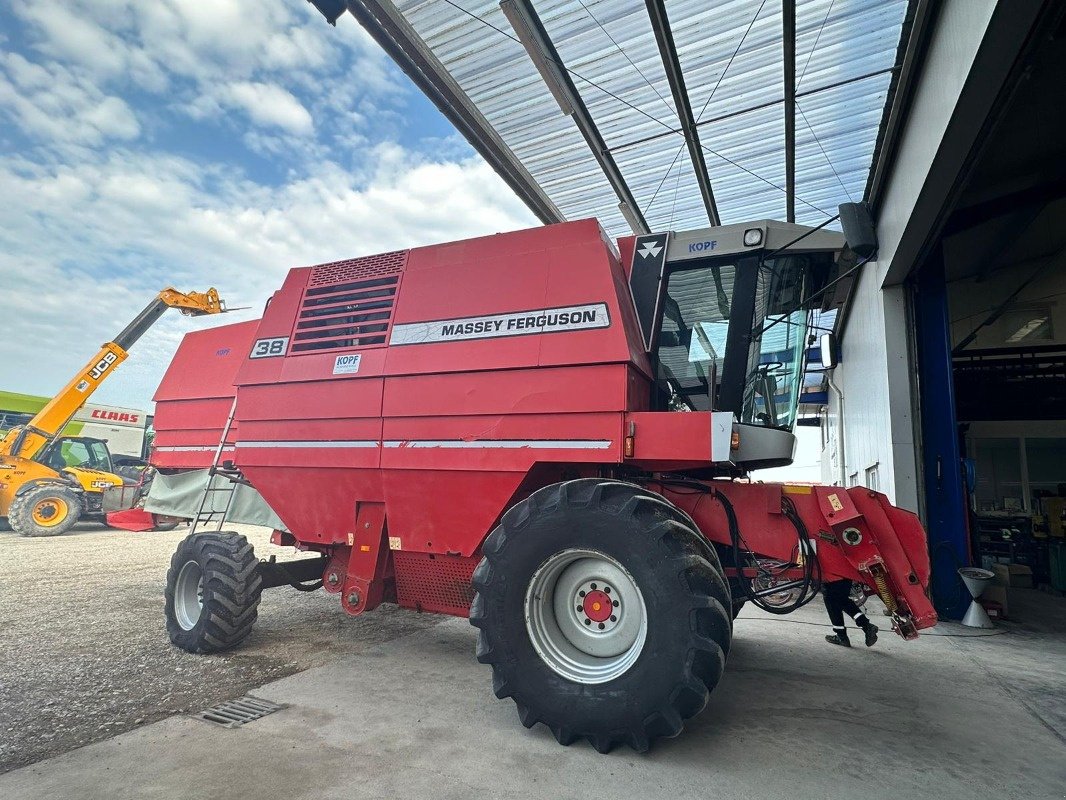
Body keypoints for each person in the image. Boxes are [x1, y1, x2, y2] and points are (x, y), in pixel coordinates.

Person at [823, 579, 878, 647]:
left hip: (833, 574)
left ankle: (841, 636)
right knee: (842, 598)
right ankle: (867, 626)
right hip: (846, 574)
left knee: (830, 599)